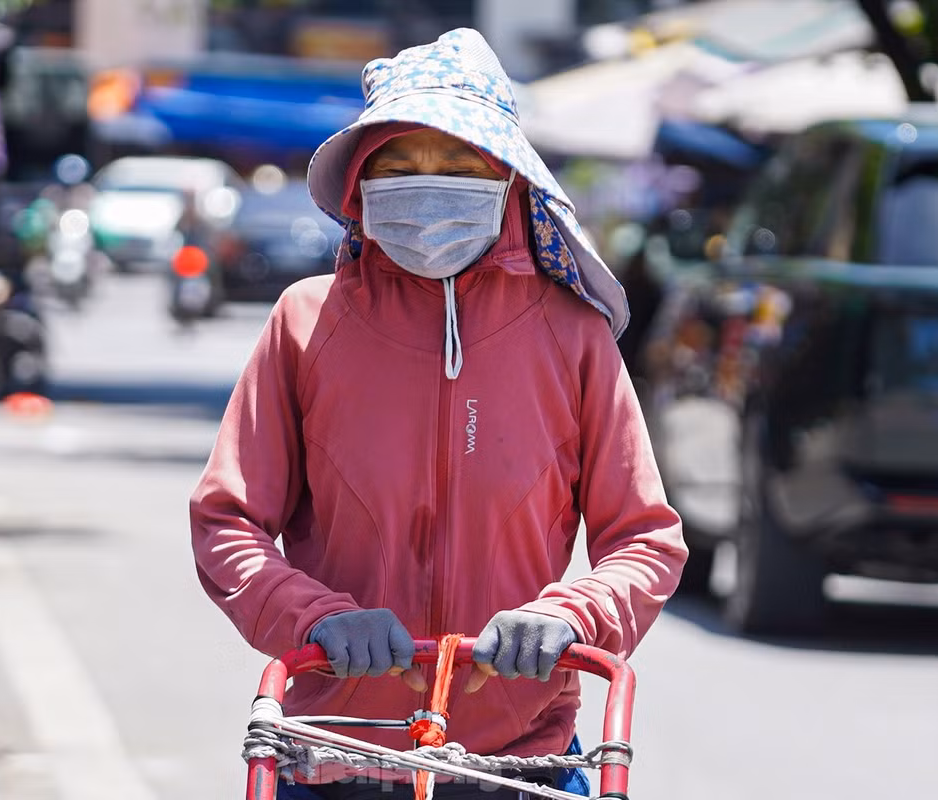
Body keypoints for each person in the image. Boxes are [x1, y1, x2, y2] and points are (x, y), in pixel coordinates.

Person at [190, 28, 688, 799]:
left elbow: (646, 540)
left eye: (458, 162)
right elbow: (228, 524)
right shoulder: (305, 322)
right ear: (361, 185)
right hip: (333, 757)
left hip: (522, 764)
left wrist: (571, 616)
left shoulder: (573, 335)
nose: (428, 183)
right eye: (399, 163)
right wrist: (316, 619)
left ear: (508, 178)